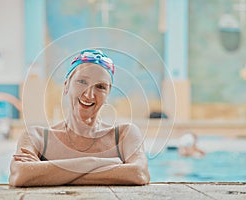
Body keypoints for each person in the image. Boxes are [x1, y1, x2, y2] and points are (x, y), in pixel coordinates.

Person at [9, 49, 150, 186]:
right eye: (82, 82)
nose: (89, 95)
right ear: (66, 86)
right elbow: (19, 175)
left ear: (107, 95)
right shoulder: (37, 137)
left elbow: (139, 173)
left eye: (100, 87)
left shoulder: (124, 135)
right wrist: (95, 162)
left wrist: (48, 174)